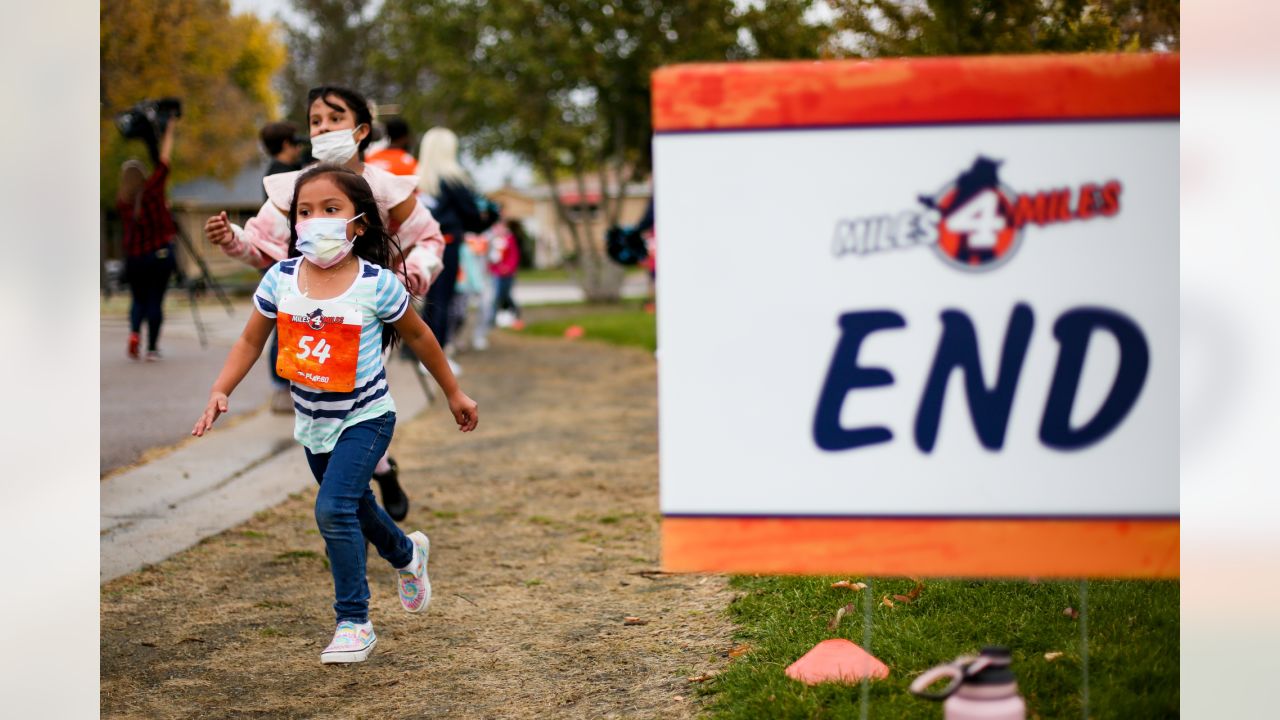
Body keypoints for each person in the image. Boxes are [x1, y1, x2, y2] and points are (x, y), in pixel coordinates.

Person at [191, 164, 479, 665]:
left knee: (332, 510)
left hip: (367, 417)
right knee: (356, 506)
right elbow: (250, 340)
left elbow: (419, 337)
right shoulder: (281, 279)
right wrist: (221, 389)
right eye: (305, 212)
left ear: (359, 222)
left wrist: (454, 392)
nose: (315, 220)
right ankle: (407, 555)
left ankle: (354, 621)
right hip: (314, 423)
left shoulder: (377, 284)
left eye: (330, 209)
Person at [204, 86, 438, 521]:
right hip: (307, 316)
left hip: (367, 313)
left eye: (335, 118)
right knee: (325, 416)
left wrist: (408, 278)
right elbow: (260, 244)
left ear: (362, 129)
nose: (324, 128)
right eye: (316, 121)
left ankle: (350, 505)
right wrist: (232, 238)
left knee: (359, 408)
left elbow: (428, 239)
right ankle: (365, 491)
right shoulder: (294, 188)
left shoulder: (387, 187)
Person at [416, 127, 493, 375]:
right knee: (441, 301)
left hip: (422, 245)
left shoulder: (420, 179)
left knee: (431, 300)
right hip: (446, 245)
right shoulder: (453, 179)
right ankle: (435, 359)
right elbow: (473, 219)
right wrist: (491, 214)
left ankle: (426, 357)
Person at [116, 119, 178, 361]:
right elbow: (163, 163)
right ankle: (152, 348)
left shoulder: (122, 202)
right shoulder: (152, 191)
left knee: (138, 299)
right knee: (155, 300)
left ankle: (134, 333)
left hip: (134, 258)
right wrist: (169, 129)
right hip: (158, 254)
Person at [260, 121, 305, 412]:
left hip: (283, 257)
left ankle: (285, 385)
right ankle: (280, 387)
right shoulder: (280, 176)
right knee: (282, 326)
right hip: (283, 258)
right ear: (286, 145)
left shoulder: (276, 171)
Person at [488, 219, 522, 330]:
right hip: (497, 274)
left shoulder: (509, 239)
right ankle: (493, 318)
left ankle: (514, 312)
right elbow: (491, 259)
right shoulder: (493, 241)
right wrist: (495, 268)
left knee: (506, 294)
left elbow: (514, 255)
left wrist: (508, 267)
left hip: (508, 273)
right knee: (497, 296)